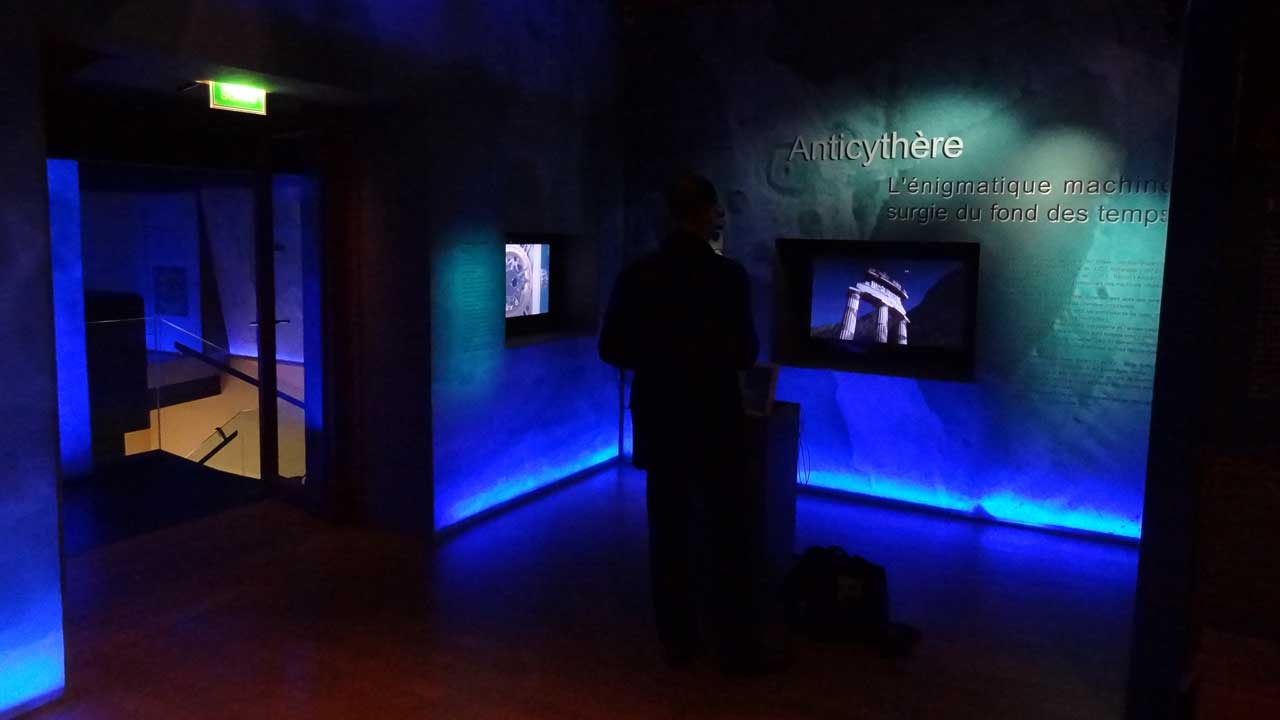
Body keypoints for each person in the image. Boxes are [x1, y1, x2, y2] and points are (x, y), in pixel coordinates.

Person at [599, 173, 765, 673]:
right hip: (715, 417)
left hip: (661, 416)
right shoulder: (729, 277)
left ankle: (678, 642)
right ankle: (733, 645)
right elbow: (745, 353)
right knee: (726, 529)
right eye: (716, 210)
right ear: (704, 212)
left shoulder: (638, 274)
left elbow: (611, 348)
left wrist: (660, 358)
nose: (719, 218)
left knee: (668, 531)